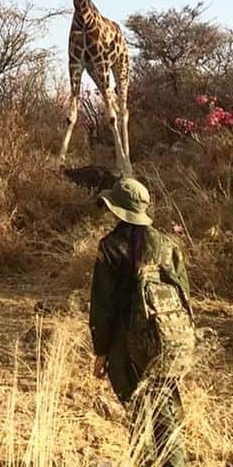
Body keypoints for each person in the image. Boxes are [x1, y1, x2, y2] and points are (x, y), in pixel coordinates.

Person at [89, 177, 192, 467]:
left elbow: (103, 306)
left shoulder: (109, 246)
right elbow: (184, 295)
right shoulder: (167, 244)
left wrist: (101, 351)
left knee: (139, 414)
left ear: (117, 209)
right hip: (166, 340)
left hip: (126, 346)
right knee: (165, 412)